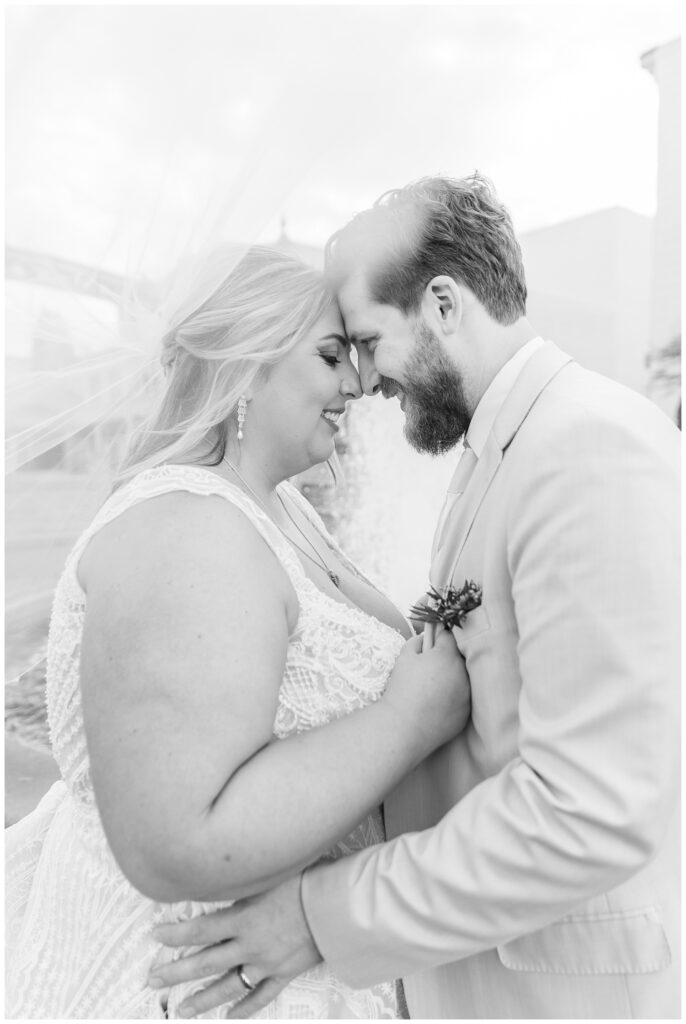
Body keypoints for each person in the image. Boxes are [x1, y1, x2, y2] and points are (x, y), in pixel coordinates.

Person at [150, 176, 681, 1020]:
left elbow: (590, 808)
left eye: (365, 340)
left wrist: (318, 918)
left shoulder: (585, 453)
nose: (366, 382)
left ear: (442, 304)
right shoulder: (510, 447)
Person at [5, 245, 472, 1019]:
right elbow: (178, 841)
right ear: (246, 366)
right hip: (189, 991)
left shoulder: (271, 509)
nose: (358, 385)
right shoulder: (190, 529)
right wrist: (408, 719)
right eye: (331, 357)